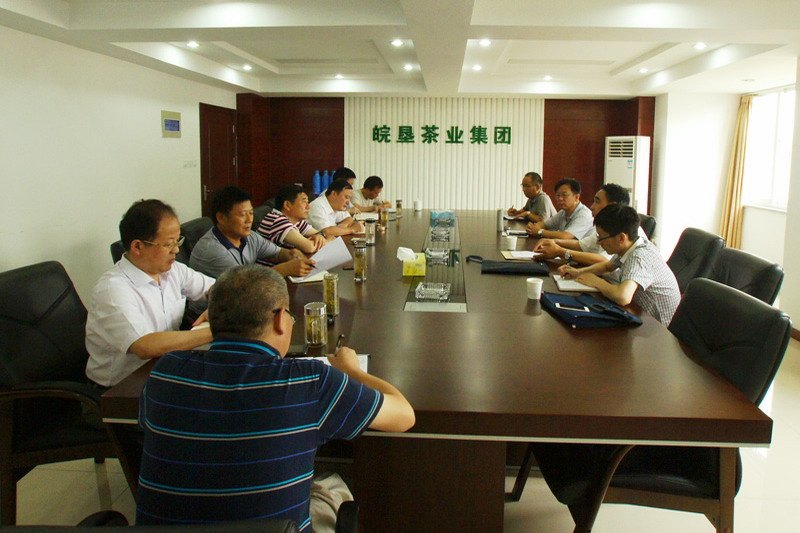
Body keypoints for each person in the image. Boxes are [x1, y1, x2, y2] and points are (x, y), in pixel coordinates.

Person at [135, 264, 415, 528]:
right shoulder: (309, 381)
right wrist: (352, 370)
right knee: (329, 486)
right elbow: (403, 416)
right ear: (281, 319)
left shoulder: (165, 373)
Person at [85, 200, 215, 388]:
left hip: (163, 369)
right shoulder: (113, 289)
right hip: (122, 389)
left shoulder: (172, 270)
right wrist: (217, 330)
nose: (176, 250)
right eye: (168, 244)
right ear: (137, 246)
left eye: (178, 241)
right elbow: (145, 346)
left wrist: (218, 306)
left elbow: (218, 288)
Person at [558, 204, 680, 326]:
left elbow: (623, 297)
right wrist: (579, 272)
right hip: (641, 314)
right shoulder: (630, 246)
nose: (598, 242)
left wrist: (596, 281)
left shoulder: (639, 256)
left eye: (601, 237)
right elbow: (607, 267)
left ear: (621, 237)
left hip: (659, 327)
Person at [189, 186, 315, 278]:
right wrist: (286, 269)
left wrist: (291, 254)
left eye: (251, 213)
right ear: (221, 218)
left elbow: (277, 253)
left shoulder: (250, 237)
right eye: (243, 215)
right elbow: (245, 282)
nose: (249, 220)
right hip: (217, 306)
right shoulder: (212, 250)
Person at [534, 183, 632, 265]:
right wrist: (553, 241)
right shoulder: (605, 227)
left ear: (612, 206)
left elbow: (604, 261)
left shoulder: (624, 228)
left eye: (597, 202)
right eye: (558, 195)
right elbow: (581, 245)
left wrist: (560, 251)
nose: (592, 207)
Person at [257, 183, 328, 254]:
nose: (308, 207)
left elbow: (320, 234)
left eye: (308, 202)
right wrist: (324, 239)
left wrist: (320, 235)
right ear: (287, 205)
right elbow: (310, 247)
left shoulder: (295, 220)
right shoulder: (277, 220)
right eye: (304, 202)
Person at [526, 178, 594, 240]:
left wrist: (540, 231)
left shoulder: (584, 215)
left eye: (564, 195)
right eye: (558, 195)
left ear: (576, 197)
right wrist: (533, 227)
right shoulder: (563, 212)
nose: (560, 199)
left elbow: (566, 236)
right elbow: (545, 224)